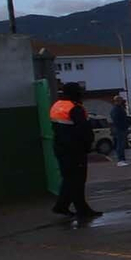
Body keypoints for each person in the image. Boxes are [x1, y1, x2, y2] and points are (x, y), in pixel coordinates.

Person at [50, 83, 103, 221]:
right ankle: (81, 209)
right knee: (77, 180)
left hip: (60, 148)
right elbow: (84, 130)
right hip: (75, 149)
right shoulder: (75, 108)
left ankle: (63, 206)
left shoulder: (57, 105)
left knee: (69, 178)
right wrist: (88, 145)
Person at [109, 95, 131, 166]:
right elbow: (117, 120)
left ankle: (122, 159)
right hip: (120, 129)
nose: (122, 102)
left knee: (121, 144)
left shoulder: (117, 108)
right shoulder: (116, 109)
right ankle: (120, 160)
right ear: (118, 101)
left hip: (120, 128)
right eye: (121, 100)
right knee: (120, 144)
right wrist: (124, 126)